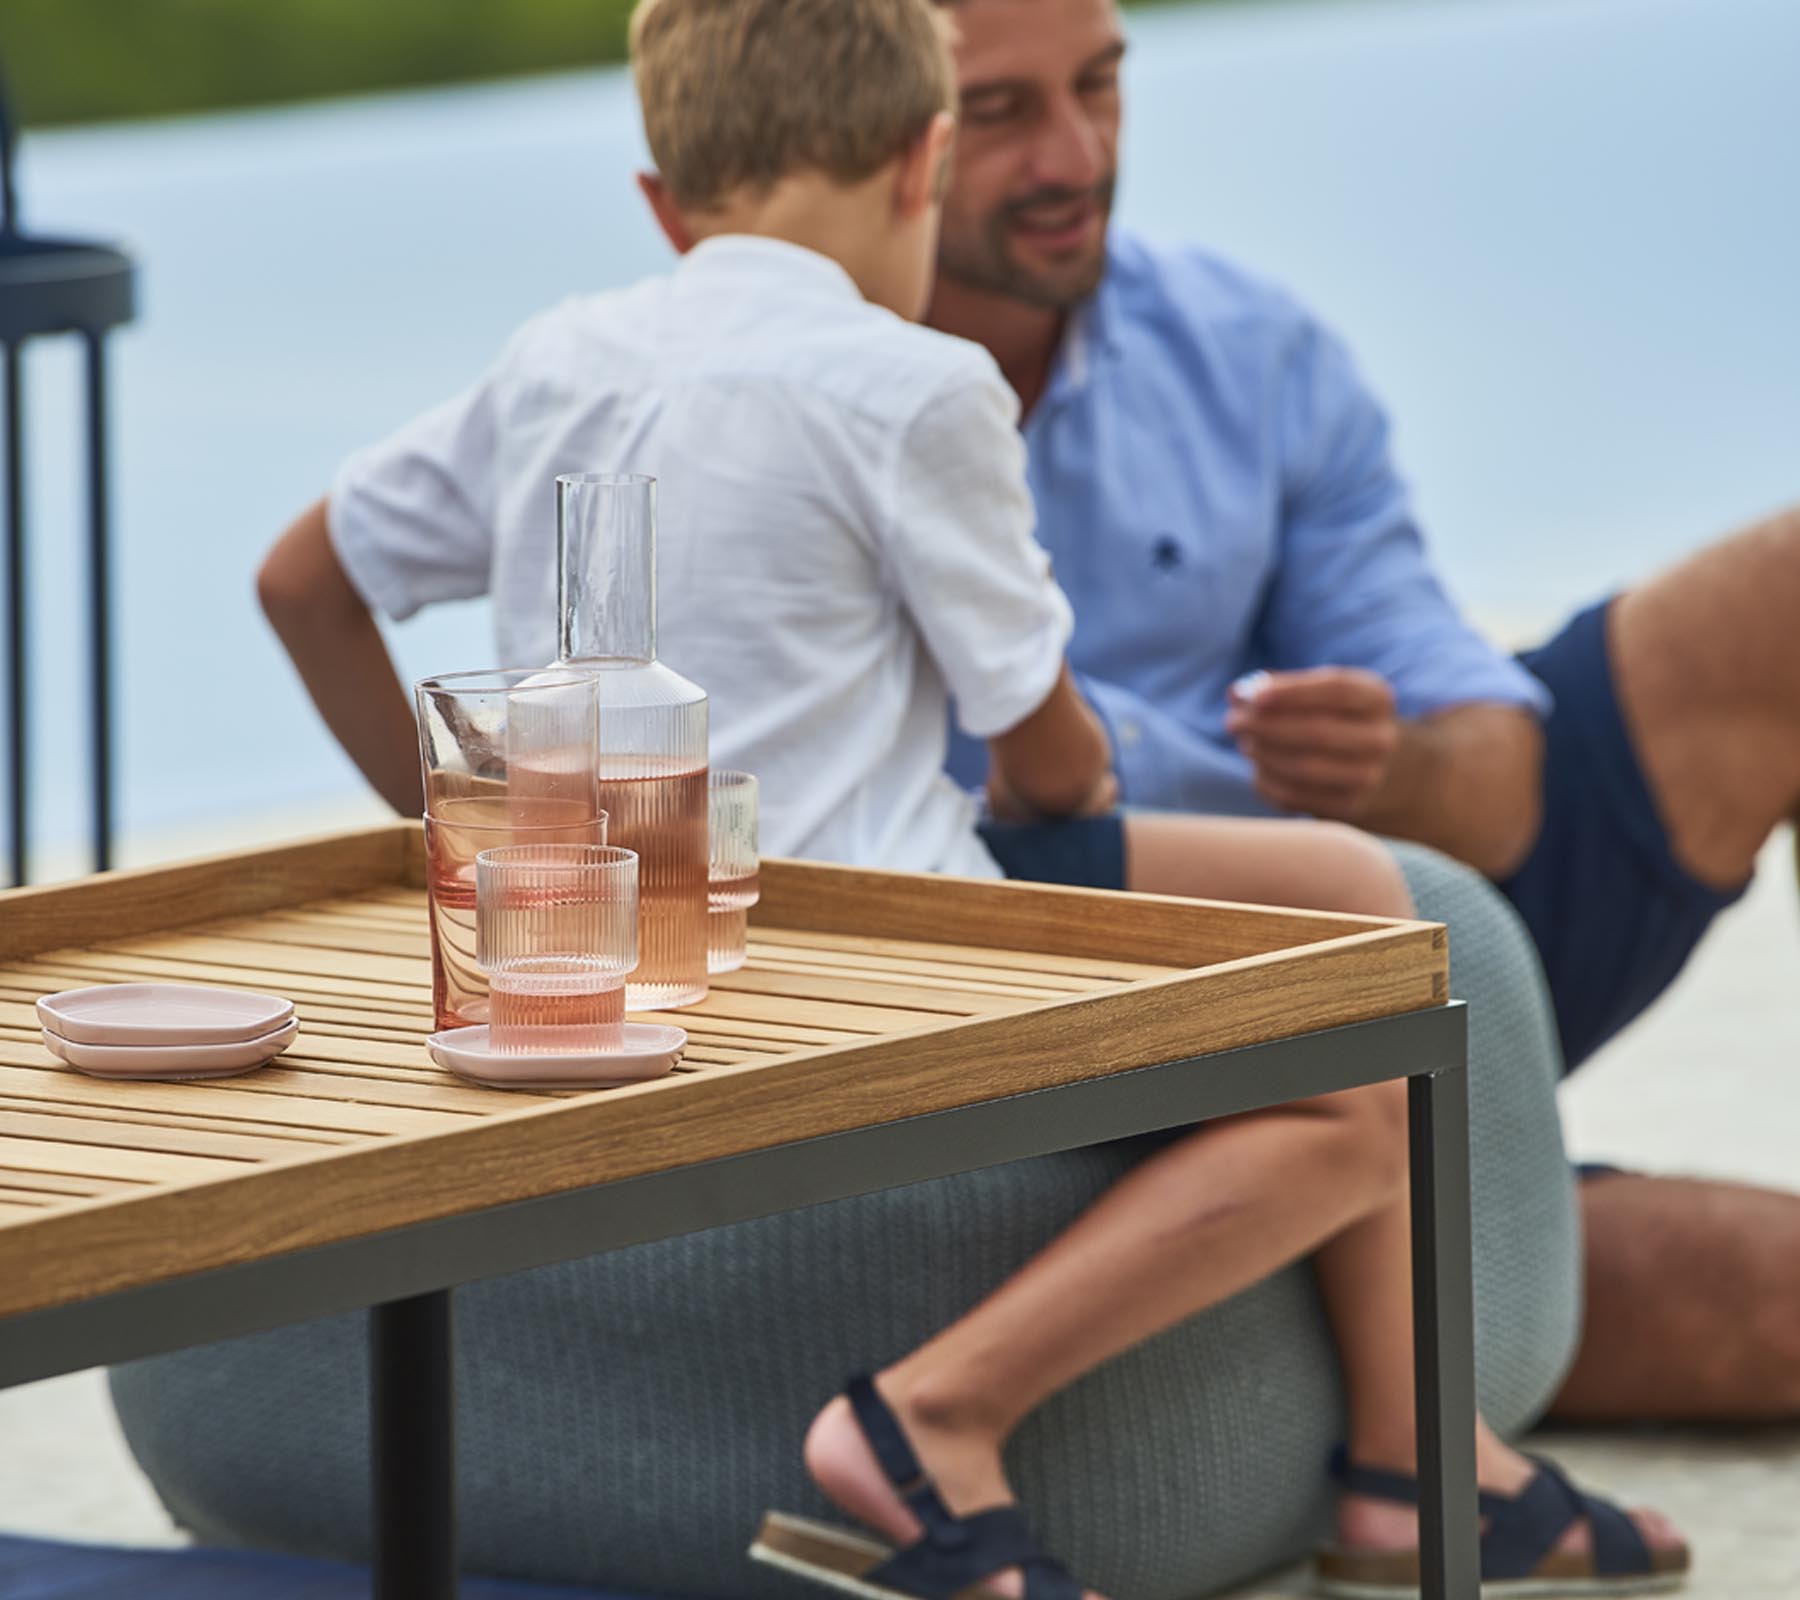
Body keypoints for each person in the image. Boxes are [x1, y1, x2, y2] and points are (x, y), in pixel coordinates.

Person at [256, 0, 1686, 1590]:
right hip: (879, 955)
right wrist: (1062, 775)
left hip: (648, 929)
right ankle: (932, 1419)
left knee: (1360, 890)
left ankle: (1422, 1476)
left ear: (666, 202)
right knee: (1364, 1092)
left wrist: (470, 845)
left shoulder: (556, 360)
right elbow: (1053, 752)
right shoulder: (914, 385)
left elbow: (303, 581)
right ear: (925, 156)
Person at [921, 0, 1800, 1425]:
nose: (1076, 155)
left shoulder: (1246, 349)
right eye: (1004, 113)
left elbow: (1500, 781)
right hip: (1137, 1097)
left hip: (1420, 946)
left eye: (1101, 86)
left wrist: (1389, 763)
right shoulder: (764, 412)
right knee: (1757, 1301)